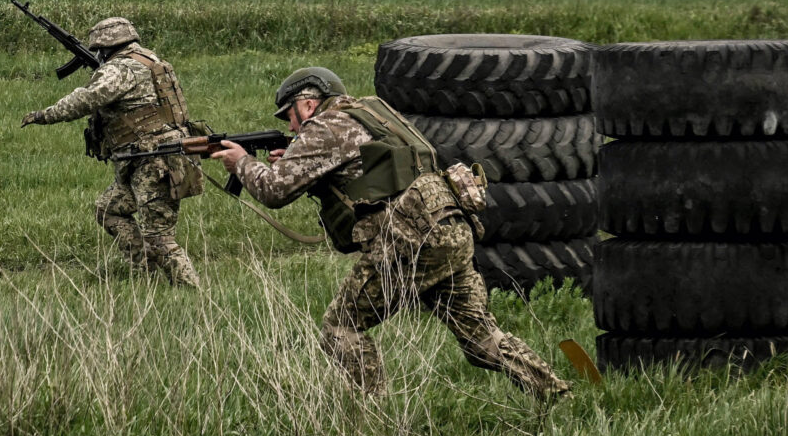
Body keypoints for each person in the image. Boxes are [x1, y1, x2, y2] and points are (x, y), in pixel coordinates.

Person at [212, 68, 569, 401]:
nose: (291, 127)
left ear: (307, 104)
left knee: (341, 328)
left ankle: (371, 414)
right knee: (481, 339)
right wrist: (297, 163)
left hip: (409, 241)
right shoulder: (373, 111)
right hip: (449, 230)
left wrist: (241, 162)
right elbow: (365, 172)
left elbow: (274, 191)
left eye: (289, 115)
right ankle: (555, 393)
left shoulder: (325, 126)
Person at [20, 17, 204, 288]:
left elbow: (86, 99)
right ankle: (144, 272)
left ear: (105, 47)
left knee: (159, 239)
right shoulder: (148, 60)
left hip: (154, 162)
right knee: (108, 210)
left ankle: (193, 294)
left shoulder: (120, 69)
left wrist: (43, 115)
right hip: (146, 161)